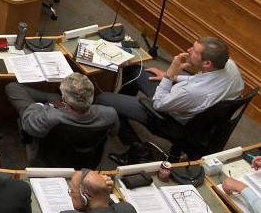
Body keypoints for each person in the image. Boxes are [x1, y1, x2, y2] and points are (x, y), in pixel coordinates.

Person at [97, 37, 244, 157]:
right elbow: (198, 80)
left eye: (194, 51)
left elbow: (158, 104)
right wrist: (173, 78)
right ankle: (122, 112)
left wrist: (169, 74)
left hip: (168, 116)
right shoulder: (229, 66)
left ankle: (138, 149)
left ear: (207, 63)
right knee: (134, 70)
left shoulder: (193, 93)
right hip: (187, 103)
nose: (188, 50)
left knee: (103, 99)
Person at [5, 73, 117, 154]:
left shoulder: (50, 116)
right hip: (89, 161)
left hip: (51, 160)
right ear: (91, 95)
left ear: (63, 98)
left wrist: (40, 106)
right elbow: (112, 134)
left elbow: (28, 124)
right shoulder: (110, 114)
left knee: (12, 88)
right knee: (53, 97)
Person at [42, 169, 139, 213]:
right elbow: (109, 210)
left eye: (71, 191)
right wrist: (102, 190)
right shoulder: (128, 212)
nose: (70, 194)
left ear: (85, 197)